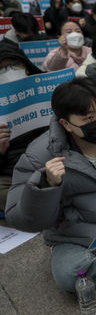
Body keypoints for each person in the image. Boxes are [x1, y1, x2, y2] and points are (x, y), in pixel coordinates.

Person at [5, 77, 96, 292]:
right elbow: (20, 218)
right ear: (65, 123)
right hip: (79, 237)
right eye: (89, 117)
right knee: (70, 274)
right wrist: (47, 186)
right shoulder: (39, 155)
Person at [0, 44, 47, 211]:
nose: (9, 71)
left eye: (14, 66)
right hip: (10, 173)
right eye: (2, 69)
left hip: (52, 162)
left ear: (26, 67)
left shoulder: (47, 89)